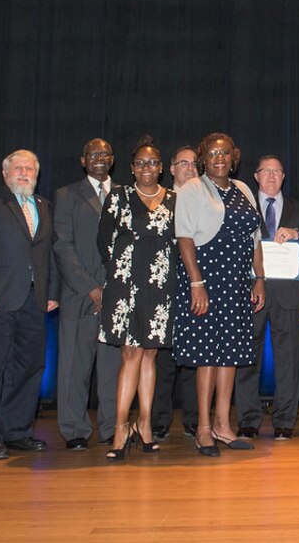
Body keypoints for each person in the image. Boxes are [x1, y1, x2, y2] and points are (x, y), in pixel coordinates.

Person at [174, 133, 266, 457]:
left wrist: (259, 279)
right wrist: (196, 283)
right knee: (208, 356)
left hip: (238, 283)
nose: (219, 158)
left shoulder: (243, 190)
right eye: (213, 153)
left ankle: (224, 426)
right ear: (203, 157)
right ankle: (202, 428)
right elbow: (184, 238)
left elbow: (255, 239)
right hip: (207, 282)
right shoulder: (192, 189)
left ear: (234, 156)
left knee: (231, 355)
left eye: (225, 153)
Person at [0, 149, 59, 460]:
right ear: (5, 174)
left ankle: (17, 432)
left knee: (30, 367)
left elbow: (50, 255)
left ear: (36, 173)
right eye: (17, 167)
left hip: (35, 300)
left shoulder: (45, 206)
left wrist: (52, 293)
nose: (23, 172)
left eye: (29, 168)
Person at [98, 143, 177, 460]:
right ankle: (120, 427)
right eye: (140, 162)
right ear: (131, 168)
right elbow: (104, 242)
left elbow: (178, 241)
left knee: (150, 355)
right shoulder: (118, 197)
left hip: (159, 288)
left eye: (153, 162)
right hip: (126, 286)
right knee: (131, 354)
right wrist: (123, 273)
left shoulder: (174, 199)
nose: (146, 167)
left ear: (160, 167)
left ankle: (144, 424)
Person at [235, 155, 299, 441]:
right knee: (246, 359)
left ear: (283, 177)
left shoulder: (298, 209)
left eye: (276, 172)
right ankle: (248, 420)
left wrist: (297, 233)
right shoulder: (243, 206)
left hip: (288, 294)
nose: (270, 176)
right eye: (265, 171)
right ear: (255, 176)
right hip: (250, 292)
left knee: (288, 360)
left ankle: (284, 422)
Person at [53, 138, 122, 451]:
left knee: (113, 367)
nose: (100, 158)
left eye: (105, 153)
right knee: (74, 366)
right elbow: (62, 246)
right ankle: (74, 429)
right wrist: (92, 288)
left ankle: (111, 427)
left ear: (112, 159)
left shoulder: (125, 194)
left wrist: (115, 288)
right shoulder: (66, 195)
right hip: (80, 295)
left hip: (118, 296)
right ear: (83, 160)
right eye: (93, 153)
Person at [152, 144, 200, 442]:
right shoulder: (157, 200)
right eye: (183, 163)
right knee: (163, 361)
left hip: (195, 289)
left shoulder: (204, 201)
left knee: (195, 360)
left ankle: (195, 421)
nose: (190, 168)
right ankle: (159, 421)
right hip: (164, 291)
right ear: (171, 169)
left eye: (195, 164)